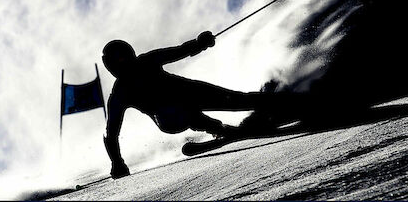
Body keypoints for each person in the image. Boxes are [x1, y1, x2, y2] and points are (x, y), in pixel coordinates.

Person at [102, 31, 289, 179]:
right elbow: (112, 133)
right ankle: (218, 128)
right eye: (117, 61)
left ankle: (288, 103)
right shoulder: (120, 94)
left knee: (237, 100)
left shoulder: (146, 61)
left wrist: (200, 43)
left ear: (130, 55)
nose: (122, 63)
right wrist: (117, 162)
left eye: (123, 57)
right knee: (179, 111)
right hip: (170, 118)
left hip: (189, 92)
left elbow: (178, 51)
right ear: (111, 66)